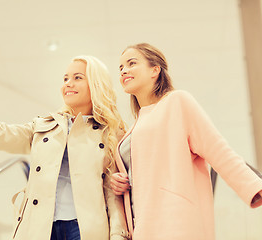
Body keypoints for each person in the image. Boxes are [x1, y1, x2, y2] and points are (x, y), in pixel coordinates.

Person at [0, 55, 130, 240]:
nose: (68, 83)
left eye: (78, 77)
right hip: (39, 228)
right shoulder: (44, 126)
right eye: (65, 78)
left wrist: (118, 235)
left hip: (85, 229)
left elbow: (113, 195)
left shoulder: (111, 132)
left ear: (95, 84)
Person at [110, 43, 262, 240]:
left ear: (155, 70)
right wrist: (121, 182)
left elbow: (218, 149)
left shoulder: (177, 102)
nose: (124, 71)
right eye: (120, 67)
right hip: (142, 226)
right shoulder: (135, 125)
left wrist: (255, 187)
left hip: (175, 222)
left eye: (131, 63)